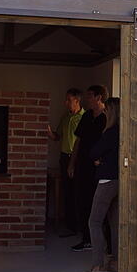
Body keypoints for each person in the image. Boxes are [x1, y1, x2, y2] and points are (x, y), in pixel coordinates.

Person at [77, 97, 120, 272]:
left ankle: (98, 267)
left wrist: (98, 159)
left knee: (94, 222)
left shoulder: (110, 132)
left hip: (106, 181)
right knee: (114, 221)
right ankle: (117, 262)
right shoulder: (123, 131)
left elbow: (94, 152)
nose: (104, 113)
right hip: (119, 180)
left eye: (106, 111)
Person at [68, 84, 107, 252]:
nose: (87, 99)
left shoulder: (107, 117)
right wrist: (72, 163)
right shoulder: (87, 116)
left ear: (99, 97)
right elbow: (78, 140)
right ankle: (86, 238)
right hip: (83, 164)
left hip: (99, 167)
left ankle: (101, 241)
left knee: (97, 202)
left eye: (90, 96)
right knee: (82, 200)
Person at [46, 88, 84, 235]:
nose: (65, 102)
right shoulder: (65, 117)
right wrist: (49, 133)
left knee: (77, 193)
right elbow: (57, 137)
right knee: (67, 193)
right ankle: (70, 226)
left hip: (76, 159)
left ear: (77, 100)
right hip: (64, 157)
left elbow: (80, 143)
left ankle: (77, 227)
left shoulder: (84, 117)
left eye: (69, 100)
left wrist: (72, 164)